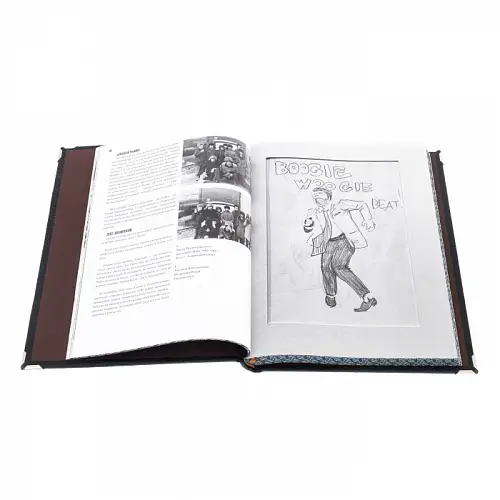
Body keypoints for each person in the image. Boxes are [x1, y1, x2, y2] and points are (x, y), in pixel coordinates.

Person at [303, 187, 377, 312]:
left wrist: (368, 220)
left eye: (320, 193)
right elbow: (307, 228)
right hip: (328, 243)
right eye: (314, 194)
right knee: (325, 267)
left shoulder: (340, 205)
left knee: (339, 267)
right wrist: (307, 225)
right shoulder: (313, 212)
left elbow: (362, 205)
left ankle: (367, 296)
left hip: (344, 240)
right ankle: (330, 296)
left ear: (328, 196)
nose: (316, 196)